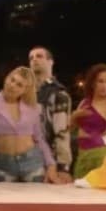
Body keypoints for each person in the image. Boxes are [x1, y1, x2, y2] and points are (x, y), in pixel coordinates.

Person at [0, 67, 58, 183]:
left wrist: (51, 165)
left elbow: (39, 139)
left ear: (25, 90)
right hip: (4, 166)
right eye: (12, 80)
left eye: (19, 85)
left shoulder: (33, 108)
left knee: (37, 195)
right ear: (6, 79)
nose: (12, 85)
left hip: (33, 164)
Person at [28, 46, 73, 182]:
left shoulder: (58, 93)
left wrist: (63, 167)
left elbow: (62, 132)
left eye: (39, 56)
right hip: (24, 159)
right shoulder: (24, 91)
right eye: (31, 58)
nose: (34, 59)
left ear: (50, 62)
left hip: (48, 163)